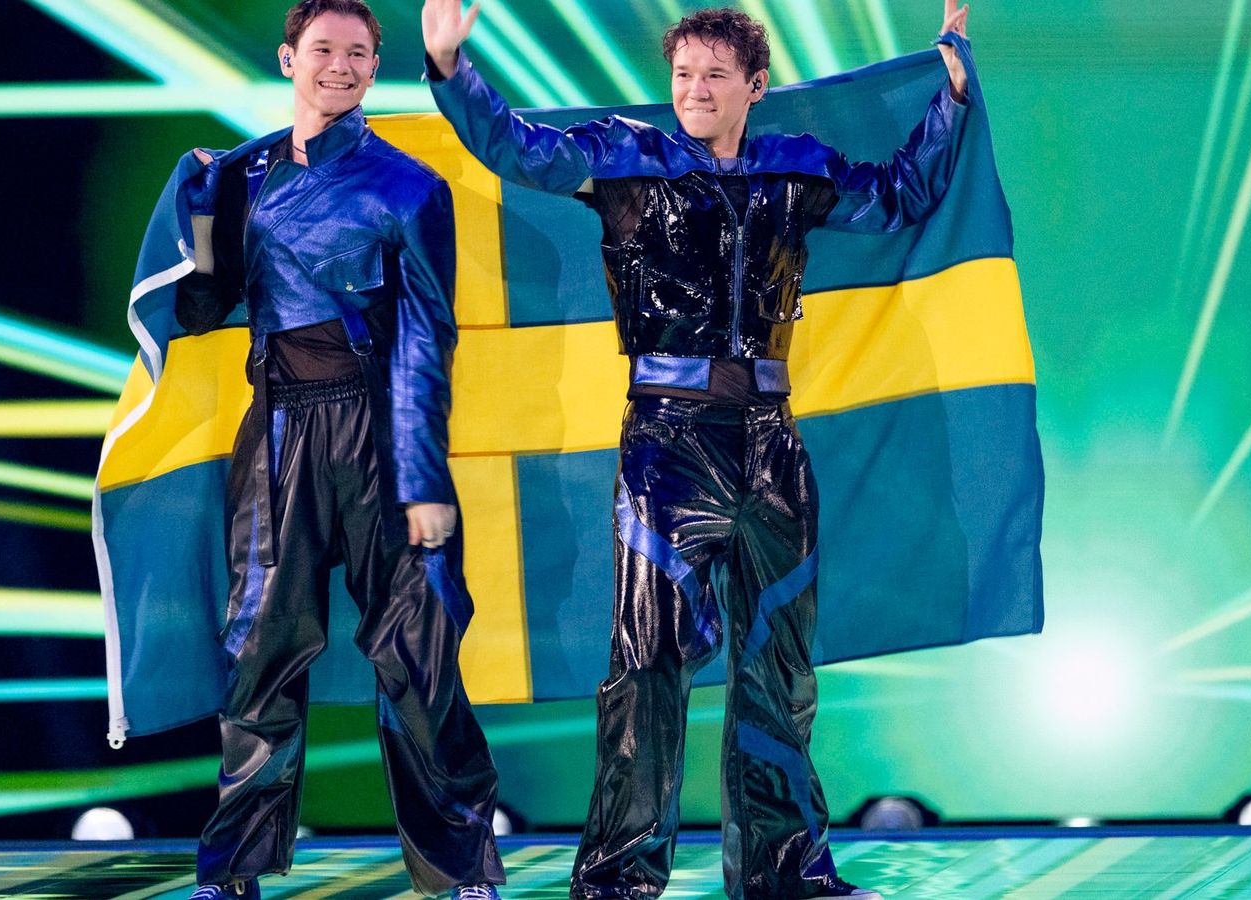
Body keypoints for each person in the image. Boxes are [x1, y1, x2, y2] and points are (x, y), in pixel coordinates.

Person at [421, 2, 974, 898]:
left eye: (716, 75)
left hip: (770, 447)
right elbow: (519, 149)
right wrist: (451, 67)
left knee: (778, 666)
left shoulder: (798, 166)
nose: (695, 91)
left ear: (755, 87)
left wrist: (950, 96)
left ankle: (785, 873)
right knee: (645, 663)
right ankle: (617, 880)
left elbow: (899, 197)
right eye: (683, 75)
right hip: (665, 448)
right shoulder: (626, 157)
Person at [174, 1, 504, 897]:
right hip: (277, 430)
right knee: (259, 649)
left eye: (358, 53)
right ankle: (232, 871)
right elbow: (202, 312)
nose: (340, 66)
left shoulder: (408, 187)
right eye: (323, 50)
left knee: (418, 652)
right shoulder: (237, 176)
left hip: (377, 435)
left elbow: (431, 338)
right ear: (288, 59)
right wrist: (204, 224)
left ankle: (462, 869)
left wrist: (426, 475)